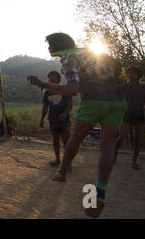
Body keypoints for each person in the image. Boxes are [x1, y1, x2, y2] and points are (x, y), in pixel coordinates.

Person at [27, 32, 126, 218]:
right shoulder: (88, 51)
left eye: (50, 45)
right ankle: (100, 193)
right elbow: (116, 65)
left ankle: (63, 172)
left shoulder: (68, 58)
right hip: (117, 100)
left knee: (76, 137)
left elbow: (73, 90)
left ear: (58, 46)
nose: (48, 49)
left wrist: (43, 84)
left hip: (94, 101)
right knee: (107, 146)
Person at [114, 66, 145, 169]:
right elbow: (116, 101)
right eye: (129, 73)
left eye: (133, 73)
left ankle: (134, 161)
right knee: (122, 136)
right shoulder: (123, 87)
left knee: (137, 138)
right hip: (126, 115)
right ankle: (113, 157)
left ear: (138, 76)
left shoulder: (144, 89)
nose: (130, 75)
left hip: (139, 115)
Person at [39, 71, 72, 167]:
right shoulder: (47, 93)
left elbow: (70, 106)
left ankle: (68, 162)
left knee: (66, 140)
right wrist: (41, 119)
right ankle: (57, 159)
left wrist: (65, 114)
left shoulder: (65, 90)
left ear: (58, 79)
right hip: (52, 119)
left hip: (64, 120)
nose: (51, 79)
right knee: (55, 139)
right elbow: (45, 107)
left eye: (53, 77)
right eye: (50, 78)